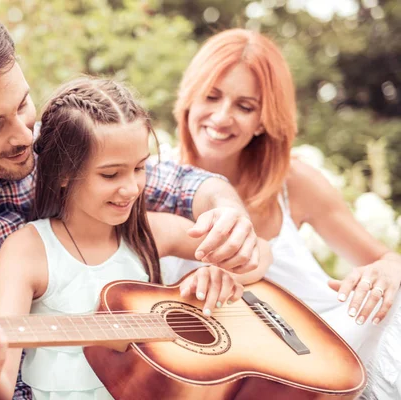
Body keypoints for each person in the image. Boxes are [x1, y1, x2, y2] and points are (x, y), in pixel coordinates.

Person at [0, 8, 262, 400]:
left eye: (21, 105)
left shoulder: (59, 145)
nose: (24, 135)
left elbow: (188, 186)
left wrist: (230, 222)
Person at [0, 76, 272, 399]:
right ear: (63, 172)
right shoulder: (27, 252)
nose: (132, 188)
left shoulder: (150, 233)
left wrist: (224, 272)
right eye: (110, 174)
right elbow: (0, 382)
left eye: (139, 168)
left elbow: (261, 254)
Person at [163, 28, 401, 399]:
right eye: (211, 96)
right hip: (241, 377)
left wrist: (386, 270)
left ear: (263, 119)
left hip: (333, 347)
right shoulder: (150, 185)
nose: (222, 117)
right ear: (189, 98)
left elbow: (386, 259)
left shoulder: (293, 181)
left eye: (245, 106)